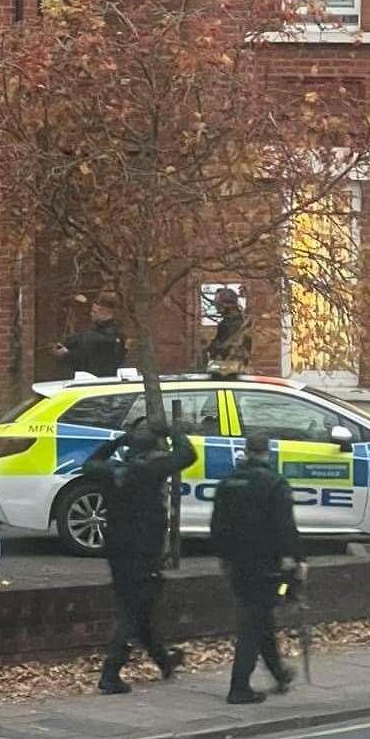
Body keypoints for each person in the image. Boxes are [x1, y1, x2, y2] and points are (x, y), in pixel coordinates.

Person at [83, 417, 196, 694]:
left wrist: (118, 441)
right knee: (133, 610)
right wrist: (174, 431)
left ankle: (164, 660)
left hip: (116, 548)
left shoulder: (112, 470)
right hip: (144, 549)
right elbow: (187, 455)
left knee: (139, 607)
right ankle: (111, 672)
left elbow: (89, 463)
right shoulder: (152, 469)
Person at [210, 432, 305, 704]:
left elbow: (217, 524)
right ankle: (238, 687)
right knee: (254, 623)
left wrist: (223, 556)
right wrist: (296, 559)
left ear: (246, 451)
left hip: (238, 563)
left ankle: (279, 674)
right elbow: (285, 526)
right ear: (268, 452)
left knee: (260, 618)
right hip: (267, 564)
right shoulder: (275, 483)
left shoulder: (228, 483)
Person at [54, 292, 127, 379]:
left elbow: (84, 359)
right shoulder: (115, 333)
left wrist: (66, 355)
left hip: (95, 382)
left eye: (94, 312)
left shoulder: (102, 337)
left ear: (105, 313)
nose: (91, 314)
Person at [204, 287, 252, 374]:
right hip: (230, 368)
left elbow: (226, 348)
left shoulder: (233, 324)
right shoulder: (232, 322)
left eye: (218, 303)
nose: (216, 305)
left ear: (226, 304)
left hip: (231, 369)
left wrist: (213, 348)